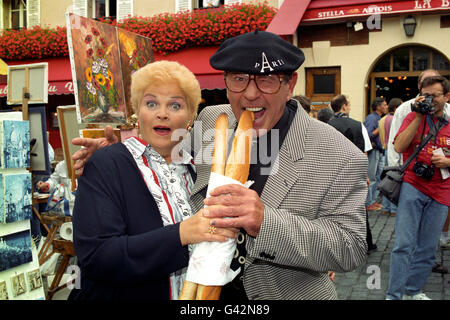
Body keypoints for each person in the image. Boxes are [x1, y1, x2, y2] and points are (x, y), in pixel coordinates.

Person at [73, 30, 369, 300]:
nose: (251, 94)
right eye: (239, 79)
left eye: (266, 80)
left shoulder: (340, 154)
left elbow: (351, 247)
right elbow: (169, 155)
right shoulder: (212, 120)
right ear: (226, 83)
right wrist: (119, 153)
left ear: (289, 84)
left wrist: (265, 222)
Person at [68, 61, 238, 300]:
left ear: (190, 116)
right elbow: (98, 256)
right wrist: (181, 234)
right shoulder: (106, 164)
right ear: (138, 111)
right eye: (151, 103)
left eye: (175, 105)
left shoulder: (195, 172)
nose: (162, 113)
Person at [386, 76, 450, 300]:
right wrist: (418, 116)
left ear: (447, 96)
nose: (430, 100)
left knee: (428, 247)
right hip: (413, 185)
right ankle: (394, 295)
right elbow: (399, 146)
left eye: (435, 95)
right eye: (426, 95)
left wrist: (448, 162)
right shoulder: (414, 116)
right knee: (404, 244)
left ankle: (413, 291)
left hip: (441, 191)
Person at [327, 94, 376, 254]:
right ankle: (365, 243)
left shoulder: (326, 125)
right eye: (348, 104)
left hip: (333, 173)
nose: (349, 107)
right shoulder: (357, 125)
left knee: (334, 209)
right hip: (353, 172)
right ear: (344, 107)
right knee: (358, 208)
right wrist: (366, 175)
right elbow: (364, 152)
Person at [378, 97, 402, 216]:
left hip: (385, 149)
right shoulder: (395, 119)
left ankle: (386, 207)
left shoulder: (383, 119)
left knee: (387, 178)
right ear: (396, 107)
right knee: (394, 179)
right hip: (393, 150)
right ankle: (393, 209)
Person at [364, 97, 388, 211]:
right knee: (372, 177)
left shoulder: (379, 118)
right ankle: (368, 203)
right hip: (374, 151)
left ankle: (372, 201)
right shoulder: (372, 118)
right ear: (378, 106)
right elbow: (368, 135)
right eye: (384, 104)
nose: (386, 106)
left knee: (378, 177)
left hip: (380, 150)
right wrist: (380, 127)